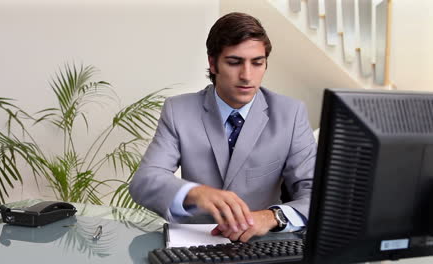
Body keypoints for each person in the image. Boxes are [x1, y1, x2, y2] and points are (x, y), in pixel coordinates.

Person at [129, 12, 316, 242]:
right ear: (213, 63)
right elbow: (145, 181)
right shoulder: (178, 110)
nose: (247, 76)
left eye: (257, 63)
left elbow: (317, 194)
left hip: (262, 247)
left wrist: (271, 217)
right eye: (234, 62)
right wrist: (194, 193)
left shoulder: (291, 113)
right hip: (195, 247)